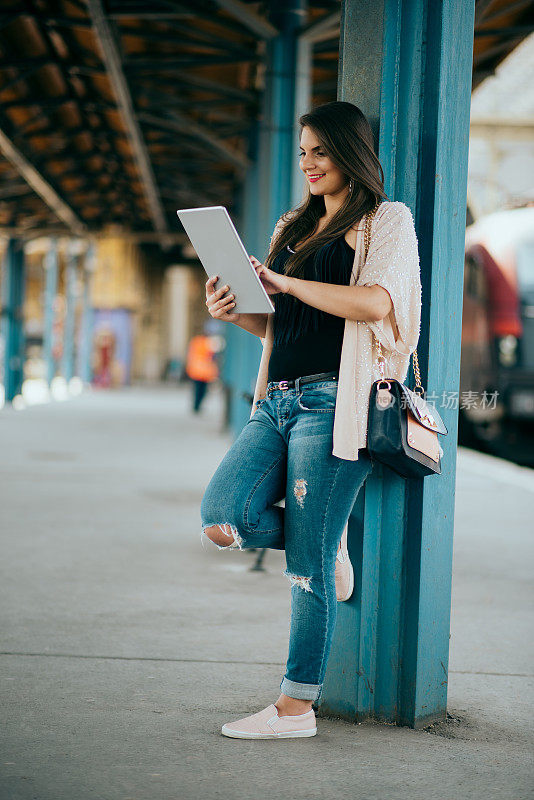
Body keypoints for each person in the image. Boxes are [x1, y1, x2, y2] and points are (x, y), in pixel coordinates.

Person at [200, 101, 422, 739]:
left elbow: (379, 303)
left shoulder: (385, 221)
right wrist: (233, 310)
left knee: (306, 570)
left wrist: (290, 284)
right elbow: (279, 324)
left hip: (334, 402)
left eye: (321, 152)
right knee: (223, 518)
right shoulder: (290, 227)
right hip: (277, 398)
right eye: (302, 152)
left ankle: (296, 709)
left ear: (352, 154)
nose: (308, 164)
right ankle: (324, 536)